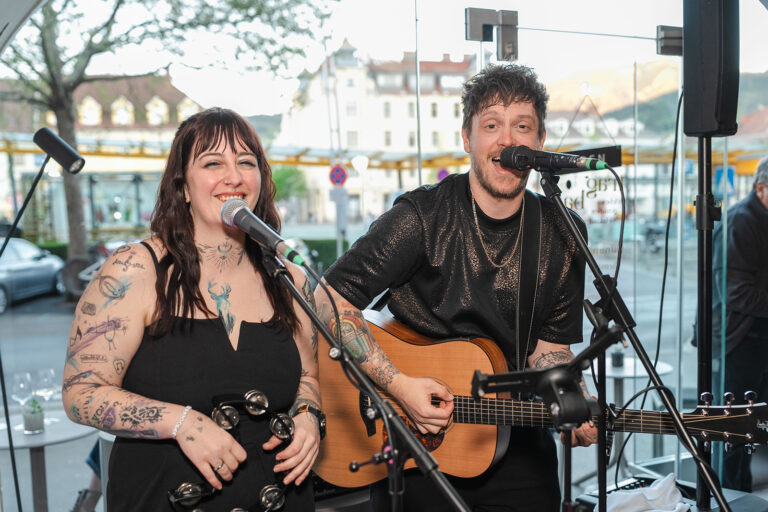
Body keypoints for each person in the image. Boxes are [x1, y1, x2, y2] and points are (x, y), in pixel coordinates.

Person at [315, 63, 597, 511]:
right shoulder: (420, 217)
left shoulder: (561, 231)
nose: (507, 141)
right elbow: (329, 299)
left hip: (518, 444)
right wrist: (400, 386)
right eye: (492, 125)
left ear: (539, 142)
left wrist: (571, 398)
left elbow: (550, 351)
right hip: (414, 446)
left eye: (522, 127)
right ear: (468, 138)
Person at [62, 107, 322, 511]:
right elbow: (80, 393)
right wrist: (181, 422)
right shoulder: (135, 269)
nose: (234, 177)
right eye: (213, 163)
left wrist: (308, 415)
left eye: (246, 162)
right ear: (182, 186)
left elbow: (307, 376)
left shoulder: (288, 277)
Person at [712, 157, 768, 492]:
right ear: (761, 188)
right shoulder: (741, 222)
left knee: (755, 429)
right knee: (735, 434)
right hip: (737, 342)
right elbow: (735, 293)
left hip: (758, 338)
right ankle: (732, 499)